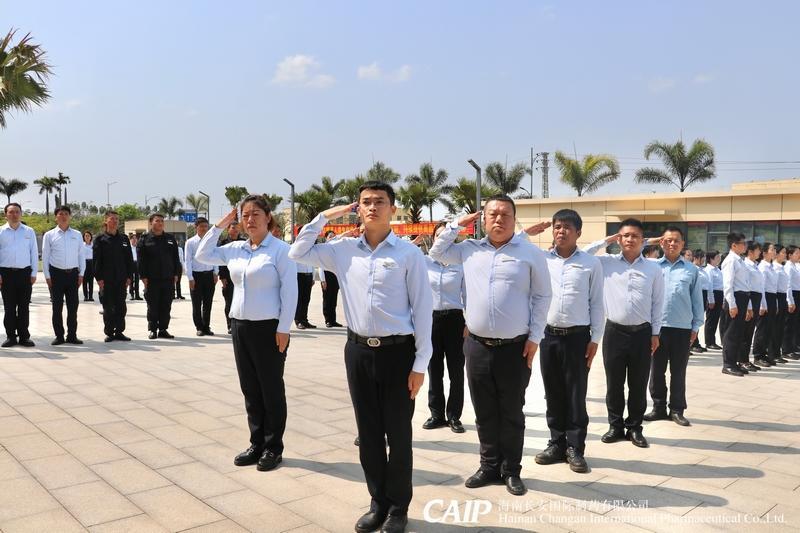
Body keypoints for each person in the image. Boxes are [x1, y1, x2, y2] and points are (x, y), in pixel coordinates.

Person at [289, 182, 433, 533]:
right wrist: (325, 216)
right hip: (358, 352)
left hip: (398, 353)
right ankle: (377, 502)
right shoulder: (342, 250)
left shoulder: (408, 254)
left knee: (398, 434)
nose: (372, 207)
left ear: (392, 209)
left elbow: (423, 310)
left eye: (379, 202)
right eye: (365, 202)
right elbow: (298, 251)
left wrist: (420, 364)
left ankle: (398, 507)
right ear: (358, 208)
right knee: (368, 434)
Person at [430, 195, 551, 498]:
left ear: (514, 219)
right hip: (477, 346)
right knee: (484, 410)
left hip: (515, 348)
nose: (499, 219)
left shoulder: (530, 253)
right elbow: (436, 251)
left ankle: (511, 470)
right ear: (482, 219)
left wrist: (535, 337)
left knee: (511, 411)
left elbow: (542, 297)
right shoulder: (469, 250)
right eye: (492, 214)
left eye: (505, 214)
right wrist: (457, 224)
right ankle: (488, 466)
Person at [196, 195, 297, 474]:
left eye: (255, 214)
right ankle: (256, 443)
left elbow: (290, 292)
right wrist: (220, 225)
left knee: (271, 388)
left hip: (269, 328)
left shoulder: (280, 250)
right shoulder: (235, 249)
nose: (250, 220)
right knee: (250, 388)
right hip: (240, 326)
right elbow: (202, 254)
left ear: (268, 217)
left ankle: (273, 447)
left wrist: (284, 328)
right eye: (245, 215)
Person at [583, 220, 664, 448]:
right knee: (614, 383)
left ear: (642, 240)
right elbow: (583, 254)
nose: (629, 239)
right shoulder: (605, 263)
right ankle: (615, 426)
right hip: (614, 332)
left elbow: (658, 303)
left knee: (638, 384)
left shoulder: (653, 269)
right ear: (618, 239)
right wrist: (605, 241)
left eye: (635, 236)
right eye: (625, 235)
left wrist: (655, 333)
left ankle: (635, 428)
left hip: (642, 333)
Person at [534, 209, 603, 474]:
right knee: (552, 391)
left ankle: (575, 447)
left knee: (575, 393)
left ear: (578, 233)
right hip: (548, 336)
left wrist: (595, 339)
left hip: (578, 338)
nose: (561, 231)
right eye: (557, 226)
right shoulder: (542, 260)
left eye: (567, 227)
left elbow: (597, 303)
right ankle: (556, 443)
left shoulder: (590, 264)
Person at [642, 227, 704, 427]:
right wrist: (650, 240)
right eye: (668, 240)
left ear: (682, 244)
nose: (672, 243)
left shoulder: (691, 270)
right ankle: (658, 407)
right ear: (661, 242)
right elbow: (633, 248)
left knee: (678, 371)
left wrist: (695, 327)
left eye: (676, 240)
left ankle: (677, 409)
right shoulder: (651, 266)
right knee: (656, 370)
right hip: (656, 329)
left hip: (681, 328)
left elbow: (697, 300)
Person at [422, 222, 467, 434]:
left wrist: (469, 323)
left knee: (456, 371)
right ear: (433, 239)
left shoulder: (460, 265)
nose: (441, 239)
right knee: (434, 370)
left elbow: (468, 295)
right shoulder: (424, 263)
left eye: (445, 235)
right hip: (431, 320)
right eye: (438, 236)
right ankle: (436, 414)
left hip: (455, 321)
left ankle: (454, 416)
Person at [42, 205, 85, 345]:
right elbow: (45, 257)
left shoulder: (77, 235)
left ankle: (72, 335)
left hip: (73, 274)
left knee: (73, 307)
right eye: (60, 214)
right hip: (56, 274)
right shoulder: (49, 235)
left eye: (66, 213)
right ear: (56, 217)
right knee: (57, 307)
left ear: (70, 216)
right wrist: (47, 276)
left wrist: (81, 274)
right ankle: (59, 336)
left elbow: (81, 255)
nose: (64, 216)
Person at [0, 203, 39, 347]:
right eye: (11, 212)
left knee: (24, 307)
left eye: (17, 211)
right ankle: (11, 336)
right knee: (9, 307)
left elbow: (34, 253)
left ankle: (24, 336)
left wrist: (34, 273)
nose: (14, 214)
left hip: (24, 273)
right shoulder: (1, 232)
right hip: (6, 274)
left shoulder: (29, 231)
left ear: (21, 214)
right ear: (6, 215)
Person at [137, 213, 181, 339]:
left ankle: (163, 329)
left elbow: (175, 258)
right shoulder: (144, 239)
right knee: (153, 305)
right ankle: (153, 329)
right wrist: (143, 276)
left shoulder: (170, 239)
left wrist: (176, 274)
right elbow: (141, 260)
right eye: (157, 221)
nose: (160, 223)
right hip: (152, 279)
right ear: (151, 222)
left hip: (168, 278)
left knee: (166, 305)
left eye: (162, 221)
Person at [93, 211, 134, 342]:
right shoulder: (100, 239)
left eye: (117, 219)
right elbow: (96, 260)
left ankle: (119, 332)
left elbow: (129, 259)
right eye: (112, 219)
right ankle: (109, 332)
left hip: (121, 279)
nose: (115, 221)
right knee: (108, 307)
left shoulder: (124, 239)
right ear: (106, 221)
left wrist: (129, 276)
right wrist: (99, 278)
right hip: (107, 280)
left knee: (121, 307)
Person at [720, 232, 752, 376]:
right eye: (742, 243)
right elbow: (728, 285)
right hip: (735, 298)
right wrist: (732, 304)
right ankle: (728, 364)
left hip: (743, 298)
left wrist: (748, 306)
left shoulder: (740, 260)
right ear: (734, 245)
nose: (745, 246)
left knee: (739, 333)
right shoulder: (730, 260)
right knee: (731, 333)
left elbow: (745, 284)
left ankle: (735, 362)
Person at [185, 217, 219, 336]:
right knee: (196, 303)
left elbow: (215, 257)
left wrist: (216, 272)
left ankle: (206, 326)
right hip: (196, 276)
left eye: (206, 226)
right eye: (201, 226)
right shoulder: (190, 242)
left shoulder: (211, 241)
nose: (204, 229)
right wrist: (190, 278)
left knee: (208, 303)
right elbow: (187, 261)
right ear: (196, 227)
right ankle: (199, 327)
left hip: (209, 275)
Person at [740, 242, 766, 372]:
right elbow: (746, 286)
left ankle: (746, 359)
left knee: (749, 331)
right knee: (745, 331)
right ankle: (742, 360)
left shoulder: (755, 265)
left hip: (756, 298)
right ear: (750, 252)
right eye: (757, 250)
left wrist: (762, 303)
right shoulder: (745, 266)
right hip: (749, 298)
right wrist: (748, 306)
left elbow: (760, 287)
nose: (759, 252)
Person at [218, 220, 245, 334]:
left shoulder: (244, 242)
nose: (235, 230)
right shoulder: (223, 243)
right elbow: (220, 261)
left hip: (242, 277)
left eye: (237, 228)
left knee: (242, 301)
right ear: (228, 229)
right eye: (233, 228)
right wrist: (222, 278)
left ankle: (241, 324)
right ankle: (230, 325)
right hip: (228, 277)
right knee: (229, 302)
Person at [754, 243, 777, 367]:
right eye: (772, 249)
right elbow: (761, 287)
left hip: (772, 297)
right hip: (765, 298)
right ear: (764, 253)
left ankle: (764, 353)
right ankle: (758, 355)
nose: (774, 251)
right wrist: (763, 304)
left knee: (769, 328)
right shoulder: (762, 267)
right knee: (762, 328)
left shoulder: (771, 266)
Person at [687, 249, 708, 354]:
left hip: (703, 295)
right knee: (693, 319)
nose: (704, 259)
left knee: (698, 318)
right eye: (702, 257)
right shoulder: (692, 269)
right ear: (696, 258)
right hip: (696, 294)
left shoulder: (702, 270)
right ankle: (692, 344)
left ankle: (695, 342)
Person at [321, 230, 343, 328]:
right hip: (326, 275)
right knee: (327, 299)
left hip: (335, 276)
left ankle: (333, 320)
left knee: (334, 299)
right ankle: (328, 320)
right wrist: (323, 280)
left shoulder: (337, 250)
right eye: (330, 236)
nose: (332, 238)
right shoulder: (324, 248)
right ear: (326, 238)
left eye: (334, 236)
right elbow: (320, 266)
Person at [772, 246, 791, 364]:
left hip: (783, 296)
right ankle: (773, 353)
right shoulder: (774, 267)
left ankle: (777, 353)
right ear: (777, 254)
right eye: (783, 252)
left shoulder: (782, 267)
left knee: (780, 327)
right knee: (775, 327)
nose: (785, 254)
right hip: (777, 296)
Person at [703, 251, 723, 350]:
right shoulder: (709, 270)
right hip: (713, 295)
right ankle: (709, 342)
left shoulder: (718, 270)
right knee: (711, 320)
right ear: (711, 259)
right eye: (717, 257)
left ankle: (713, 341)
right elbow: (709, 286)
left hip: (719, 295)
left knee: (715, 320)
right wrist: (711, 300)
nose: (719, 259)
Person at [294, 251, 318, 330]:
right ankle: (298, 321)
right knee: (299, 299)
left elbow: (313, 264)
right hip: (299, 275)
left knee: (306, 299)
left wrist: (313, 277)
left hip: (309, 275)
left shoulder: (310, 250)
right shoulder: (296, 249)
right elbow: (292, 264)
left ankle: (304, 320)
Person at [82, 231, 95, 301]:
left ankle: (91, 296)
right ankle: (85, 296)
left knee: (91, 281)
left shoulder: (93, 245)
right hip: (84, 263)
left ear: (91, 237)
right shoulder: (82, 245)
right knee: (84, 281)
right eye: (86, 236)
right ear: (84, 237)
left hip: (91, 263)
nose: (87, 237)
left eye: (88, 236)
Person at [128, 233, 142, 300]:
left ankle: (137, 295)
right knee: (131, 280)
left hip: (137, 264)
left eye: (135, 238)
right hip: (131, 264)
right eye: (133, 238)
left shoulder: (138, 248)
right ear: (130, 240)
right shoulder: (129, 248)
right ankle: (132, 295)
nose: (134, 240)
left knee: (137, 280)